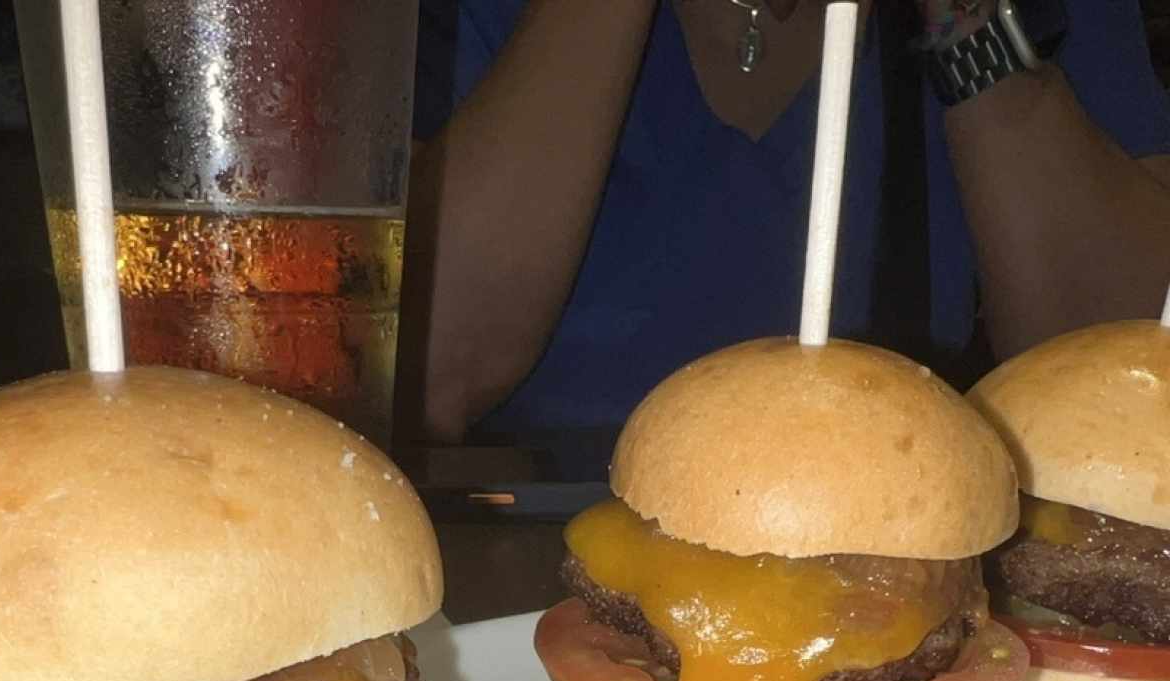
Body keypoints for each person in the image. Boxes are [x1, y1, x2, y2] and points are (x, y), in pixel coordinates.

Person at [399, 0, 1170, 478]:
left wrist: (965, 19)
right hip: (510, 608)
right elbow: (427, 371)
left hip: (895, 561)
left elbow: (1125, 388)